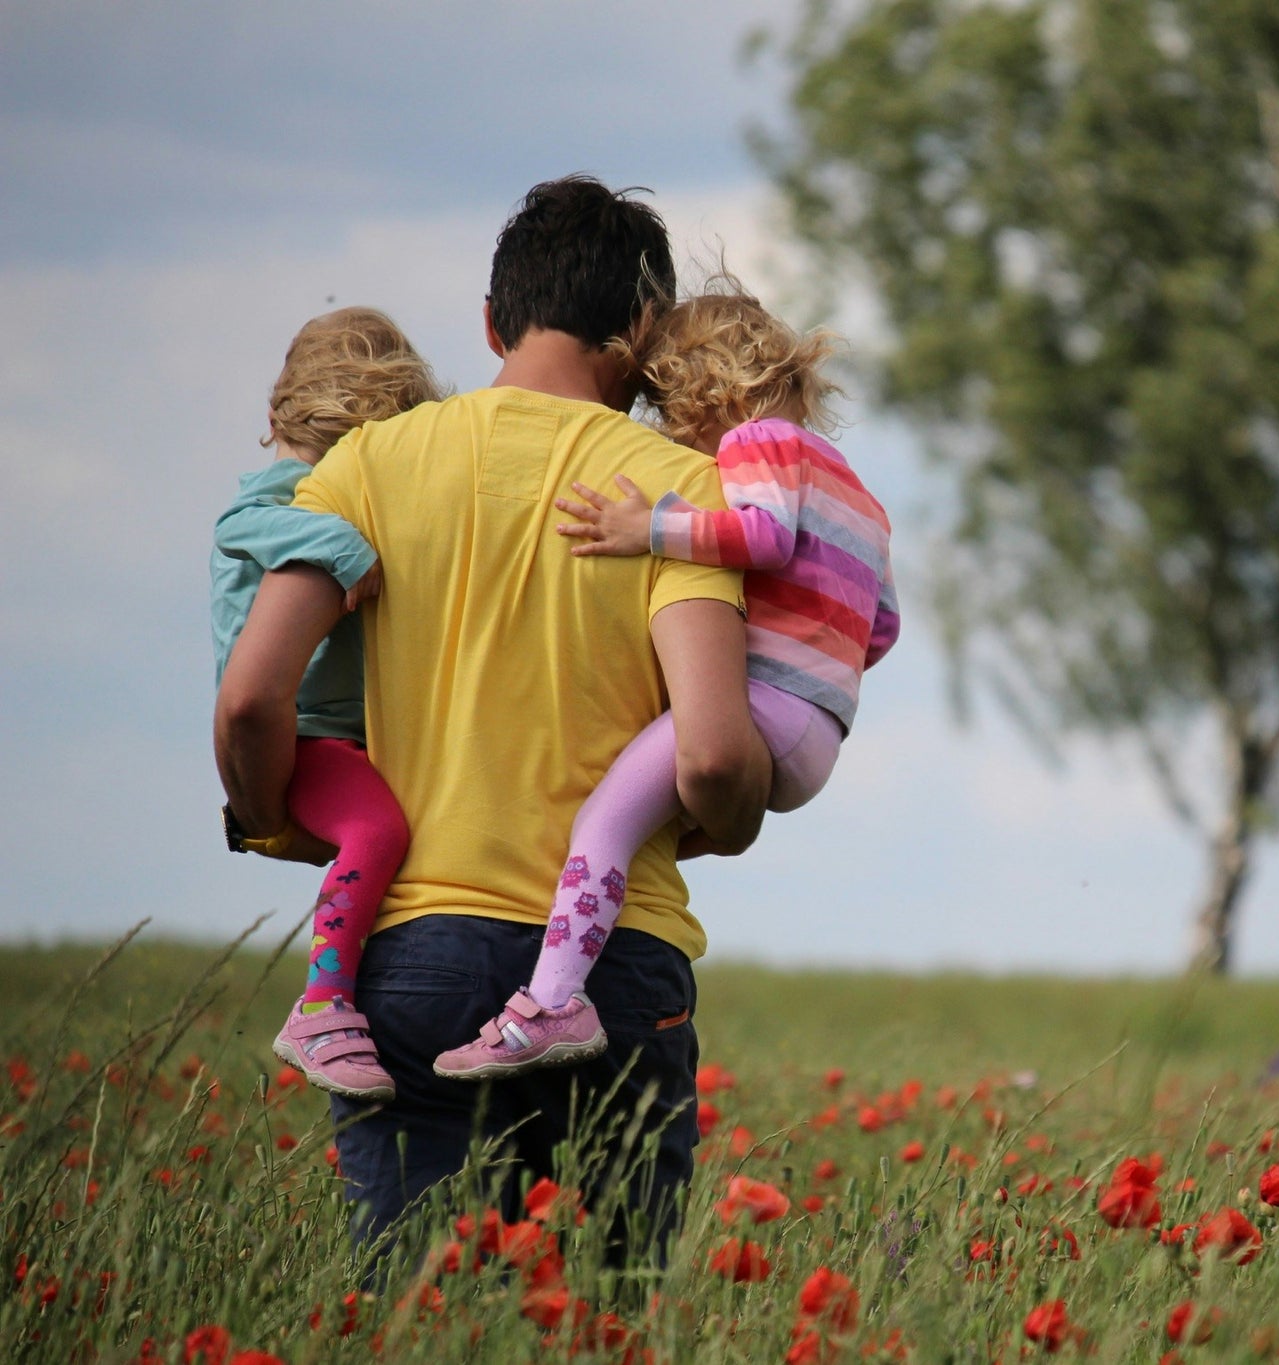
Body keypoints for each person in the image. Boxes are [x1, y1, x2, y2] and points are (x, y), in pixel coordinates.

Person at [214, 175, 770, 1244]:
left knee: (420, 1317)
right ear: (643, 330)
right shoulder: (677, 492)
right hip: (615, 965)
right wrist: (731, 820)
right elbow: (708, 755)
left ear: (489, 321)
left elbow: (249, 698)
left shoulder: (365, 466)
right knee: (608, 1317)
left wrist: (275, 817)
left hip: (413, 953)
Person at [434, 280, 900, 1079]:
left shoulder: (759, 444)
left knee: (602, 824)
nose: (670, 429)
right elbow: (882, 626)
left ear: (707, 388)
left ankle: (551, 1002)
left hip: (764, 707)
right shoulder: (859, 493)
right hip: (820, 729)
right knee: (642, 827)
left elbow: (762, 536)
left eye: (669, 406)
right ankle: (576, 960)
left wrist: (645, 527)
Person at [211, 308, 442, 1101]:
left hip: (343, 736)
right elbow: (241, 522)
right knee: (378, 829)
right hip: (306, 735)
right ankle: (323, 1003)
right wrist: (344, 546)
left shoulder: (319, 484)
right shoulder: (283, 495)